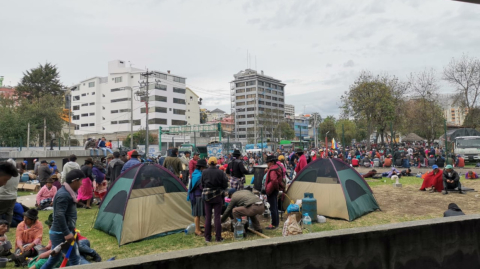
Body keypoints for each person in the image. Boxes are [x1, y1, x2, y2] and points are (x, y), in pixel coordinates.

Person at [40, 169, 88, 269]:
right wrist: (66, 233)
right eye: (81, 181)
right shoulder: (64, 195)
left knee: (57, 259)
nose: (81, 184)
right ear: (75, 181)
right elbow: (59, 215)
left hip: (62, 231)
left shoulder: (68, 192)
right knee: (72, 259)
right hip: (60, 233)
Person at [201, 157, 228, 243]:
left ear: (208, 163)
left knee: (208, 217)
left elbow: (202, 184)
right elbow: (225, 184)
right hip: (217, 196)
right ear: (216, 163)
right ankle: (218, 238)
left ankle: (207, 238)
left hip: (207, 196)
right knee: (217, 217)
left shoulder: (204, 172)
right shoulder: (220, 172)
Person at [187, 159, 207, 236]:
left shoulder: (195, 173)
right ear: (202, 167)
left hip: (194, 196)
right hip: (197, 196)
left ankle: (198, 228)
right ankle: (197, 230)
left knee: (197, 214)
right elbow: (201, 187)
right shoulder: (199, 176)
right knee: (197, 214)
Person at [265, 155, 285, 230]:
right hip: (274, 190)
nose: (267, 164)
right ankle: (276, 223)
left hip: (272, 190)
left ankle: (274, 224)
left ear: (272, 162)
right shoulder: (277, 167)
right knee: (275, 207)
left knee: (272, 208)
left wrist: (275, 188)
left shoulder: (273, 170)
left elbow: (274, 180)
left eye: (268, 163)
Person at [0, 159, 20, 231]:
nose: (5, 183)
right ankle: (6, 229)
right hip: (12, 196)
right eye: (5, 180)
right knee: (9, 213)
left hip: (3, 196)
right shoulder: (18, 175)